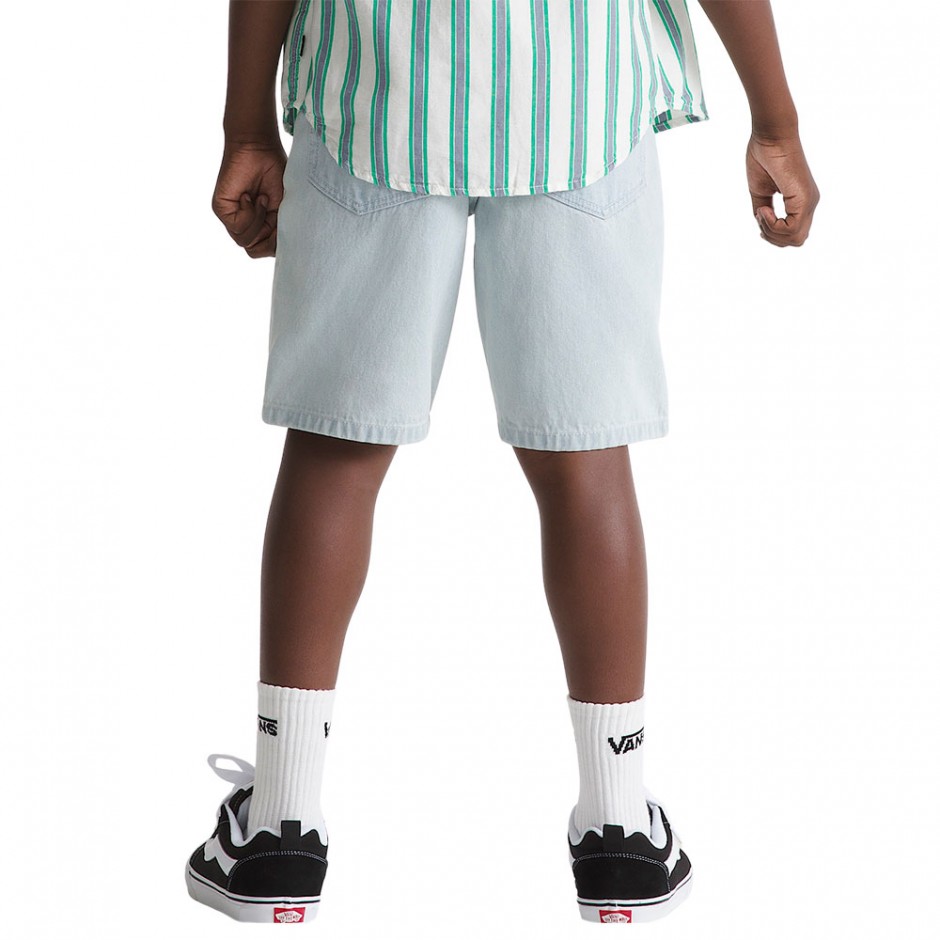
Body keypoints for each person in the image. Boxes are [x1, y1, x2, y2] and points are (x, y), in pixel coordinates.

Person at [185, 0, 819, 926]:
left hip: (379, 93)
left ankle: (280, 826)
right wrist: (776, 121)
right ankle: (619, 830)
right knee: (585, 461)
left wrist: (247, 129)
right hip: (577, 97)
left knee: (336, 452)